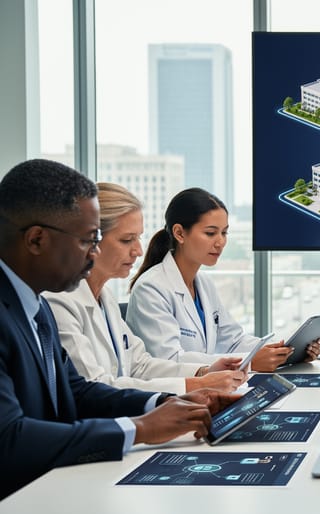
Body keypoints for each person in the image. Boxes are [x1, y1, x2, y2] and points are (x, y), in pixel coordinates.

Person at [0, 159, 238, 499]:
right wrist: (139, 428)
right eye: (88, 240)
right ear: (37, 240)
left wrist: (171, 401)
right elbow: (9, 438)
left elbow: (78, 392)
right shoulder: (35, 306)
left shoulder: (35, 305)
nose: (94, 252)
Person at [44, 183, 248, 394]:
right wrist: (198, 384)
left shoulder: (105, 298)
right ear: (86, 240)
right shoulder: (59, 302)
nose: (139, 251)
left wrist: (203, 372)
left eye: (138, 238)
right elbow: (93, 389)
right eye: (126, 240)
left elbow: (140, 365)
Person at [126, 188, 320, 371]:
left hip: (206, 390)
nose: (220, 242)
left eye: (224, 232)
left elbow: (233, 341)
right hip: (173, 397)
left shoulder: (204, 283)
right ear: (179, 233)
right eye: (210, 233)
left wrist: (285, 351)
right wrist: (250, 362)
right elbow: (170, 361)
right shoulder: (151, 288)